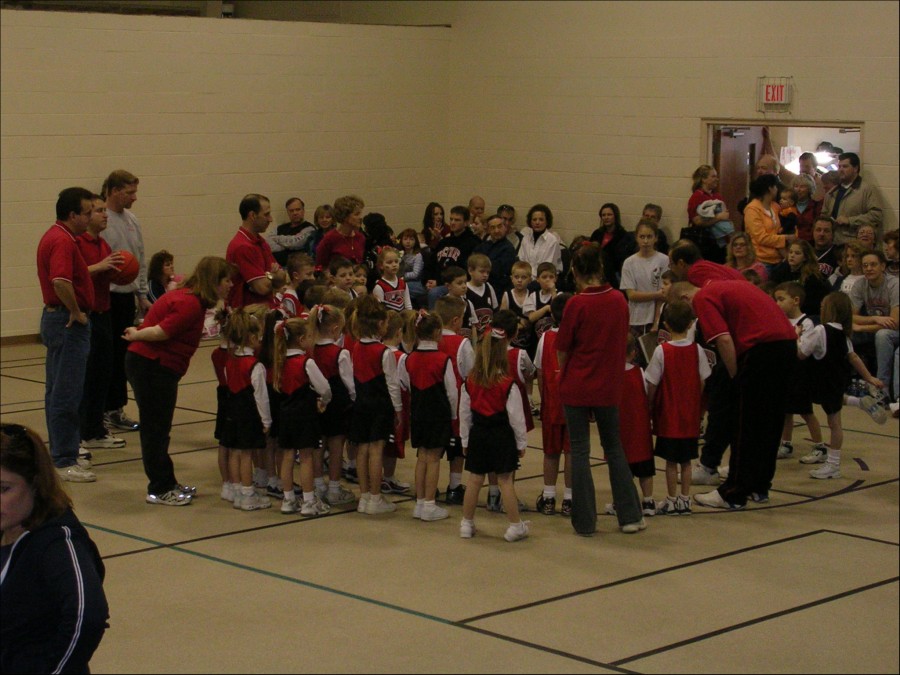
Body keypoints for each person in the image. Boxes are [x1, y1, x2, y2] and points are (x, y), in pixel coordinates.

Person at [672, 278, 797, 508]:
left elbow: (724, 339)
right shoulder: (726, 285)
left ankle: (733, 493)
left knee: (744, 423)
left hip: (759, 349)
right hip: (787, 345)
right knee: (769, 421)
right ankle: (759, 487)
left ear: (685, 298)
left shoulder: (702, 298)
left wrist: (735, 377)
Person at [124, 256, 235, 505]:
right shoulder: (189, 303)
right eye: (226, 280)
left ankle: (168, 481)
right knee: (156, 430)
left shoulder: (190, 298)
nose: (230, 285)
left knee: (160, 429)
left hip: (157, 367)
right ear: (213, 281)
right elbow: (162, 331)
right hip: (152, 367)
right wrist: (137, 334)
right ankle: (160, 488)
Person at [0, 423, 109, 673]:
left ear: (36, 484)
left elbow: (88, 614)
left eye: (4, 489)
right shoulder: (7, 526)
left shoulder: (59, 543)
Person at [557, 243, 645, 536]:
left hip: (577, 385)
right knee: (614, 448)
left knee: (580, 450)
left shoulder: (576, 304)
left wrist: (562, 377)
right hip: (608, 384)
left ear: (575, 271)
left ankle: (584, 522)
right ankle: (630, 515)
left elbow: (563, 349)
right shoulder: (619, 300)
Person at [37, 186, 96, 482]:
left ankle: (61, 452)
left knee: (56, 391)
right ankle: (64, 457)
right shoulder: (62, 240)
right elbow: (60, 281)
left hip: (57, 319)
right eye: (87, 213)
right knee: (66, 393)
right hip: (67, 322)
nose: (90, 218)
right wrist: (75, 310)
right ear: (72, 214)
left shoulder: (58, 236)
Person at [799, 293, 886, 478]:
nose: (821, 309)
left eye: (823, 306)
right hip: (835, 383)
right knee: (832, 406)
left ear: (831, 309)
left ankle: (833, 465)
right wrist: (870, 377)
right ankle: (858, 402)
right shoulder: (843, 334)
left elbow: (801, 354)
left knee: (834, 424)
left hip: (824, 382)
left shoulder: (821, 330)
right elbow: (853, 357)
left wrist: (794, 337)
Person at [458, 324, 530, 542]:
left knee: (474, 480)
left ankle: (466, 524)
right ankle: (515, 526)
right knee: (505, 480)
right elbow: (517, 418)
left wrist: (465, 438)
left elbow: (464, 414)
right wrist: (521, 443)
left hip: (478, 433)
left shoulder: (470, 381)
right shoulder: (508, 384)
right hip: (501, 435)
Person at [645, 300, 711, 516]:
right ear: (691, 323)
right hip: (689, 415)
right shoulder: (697, 350)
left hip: (669, 415)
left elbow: (652, 383)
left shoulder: (661, 351)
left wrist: (650, 406)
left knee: (671, 461)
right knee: (687, 460)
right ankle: (685, 499)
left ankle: (672, 499)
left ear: (666, 324)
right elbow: (703, 381)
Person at [76, 194, 127, 455]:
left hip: (104, 313)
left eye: (105, 210)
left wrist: (117, 269)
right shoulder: (77, 242)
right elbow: (74, 274)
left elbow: (105, 273)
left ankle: (96, 429)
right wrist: (99, 266)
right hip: (86, 316)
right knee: (85, 377)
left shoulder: (103, 243)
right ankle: (82, 431)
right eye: (98, 211)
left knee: (102, 374)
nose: (104, 215)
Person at [99, 170, 148, 434]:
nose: (134, 197)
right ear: (115, 190)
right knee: (105, 357)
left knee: (122, 357)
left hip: (126, 297)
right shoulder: (101, 221)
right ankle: (102, 409)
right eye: (130, 192)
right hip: (106, 296)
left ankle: (116, 408)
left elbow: (139, 257)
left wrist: (141, 293)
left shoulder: (132, 220)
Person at [398, 310, 458, 521]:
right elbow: (452, 393)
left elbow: (404, 382)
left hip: (418, 413)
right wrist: (453, 416)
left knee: (422, 457)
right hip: (438, 413)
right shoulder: (443, 359)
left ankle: (420, 502)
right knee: (433, 459)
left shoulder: (409, 358)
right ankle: (430, 505)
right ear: (437, 332)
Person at [349, 296, 403, 515]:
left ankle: (363, 496)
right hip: (379, 404)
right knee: (376, 449)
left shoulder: (355, 347)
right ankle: (375, 496)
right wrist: (398, 410)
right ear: (380, 325)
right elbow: (392, 384)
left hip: (361, 403)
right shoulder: (384, 352)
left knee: (362, 449)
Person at [273, 317, 332, 515]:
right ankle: (308, 501)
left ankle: (288, 499)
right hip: (305, 414)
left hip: (285, 414)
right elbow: (324, 388)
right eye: (308, 337)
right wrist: (323, 400)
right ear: (300, 339)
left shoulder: (279, 361)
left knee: (287, 455)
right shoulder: (306, 362)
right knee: (306, 456)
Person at [217, 308, 273, 512]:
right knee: (247, 454)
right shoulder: (254, 366)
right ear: (250, 337)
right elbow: (261, 397)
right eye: (258, 335)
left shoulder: (230, 361)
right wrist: (266, 421)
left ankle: (237, 489)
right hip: (248, 414)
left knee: (235, 452)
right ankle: (248, 494)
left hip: (232, 411)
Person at [308, 303, 357, 507]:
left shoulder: (309, 351)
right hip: (337, 404)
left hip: (316, 402)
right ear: (336, 329)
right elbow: (349, 383)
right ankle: (334, 488)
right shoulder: (341, 353)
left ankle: (318, 485)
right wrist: (354, 400)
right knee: (337, 447)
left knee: (318, 446)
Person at [772, 282, 826, 461]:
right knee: (786, 411)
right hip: (783, 372)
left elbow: (802, 352)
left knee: (805, 411)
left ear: (795, 300)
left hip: (800, 374)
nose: (777, 303)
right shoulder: (779, 320)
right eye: (776, 299)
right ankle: (785, 443)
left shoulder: (807, 323)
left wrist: (794, 336)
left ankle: (820, 447)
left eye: (781, 299)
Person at [533, 293, 573, 516]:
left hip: (552, 404)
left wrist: (545, 399)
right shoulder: (578, 337)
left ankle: (548, 497)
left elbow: (539, 371)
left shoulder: (545, 338)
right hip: (573, 404)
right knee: (572, 452)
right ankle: (570, 498)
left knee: (550, 452)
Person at [434, 295, 476, 505]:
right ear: (456, 321)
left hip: (432, 400)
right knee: (457, 448)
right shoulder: (462, 343)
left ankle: (428, 487)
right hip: (456, 403)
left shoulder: (429, 339)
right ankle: (454, 486)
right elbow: (470, 373)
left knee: (431, 449)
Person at [613, 334, 656, 518]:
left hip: (620, 431)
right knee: (645, 470)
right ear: (633, 353)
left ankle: (620, 502)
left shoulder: (611, 376)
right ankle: (648, 501)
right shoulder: (639, 373)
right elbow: (647, 394)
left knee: (621, 471)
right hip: (640, 430)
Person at [849, 251, 899, 410]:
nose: (868, 269)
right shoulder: (860, 284)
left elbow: (895, 323)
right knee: (842, 333)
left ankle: (882, 391)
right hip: (876, 327)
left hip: (894, 331)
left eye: (873, 265)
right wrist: (875, 319)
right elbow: (851, 317)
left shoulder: (894, 284)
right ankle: (844, 384)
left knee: (883, 335)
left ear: (883, 266)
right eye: (865, 265)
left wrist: (862, 327)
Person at [226, 193, 278, 309]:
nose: (270, 219)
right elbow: (262, 288)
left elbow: (281, 278)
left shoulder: (261, 242)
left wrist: (268, 277)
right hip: (248, 317)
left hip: (265, 310)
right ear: (252, 215)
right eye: (266, 214)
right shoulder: (242, 246)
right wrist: (271, 275)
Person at [620, 219, 670, 338]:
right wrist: (657, 294)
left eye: (649, 236)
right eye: (642, 237)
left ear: (656, 238)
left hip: (656, 318)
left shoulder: (664, 260)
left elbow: (663, 295)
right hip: (635, 318)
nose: (646, 241)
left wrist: (656, 322)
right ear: (636, 238)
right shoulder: (629, 263)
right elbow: (631, 295)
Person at [821, 152, 883, 245]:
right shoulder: (832, 192)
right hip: (832, 243)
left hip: (854, 244)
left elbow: (876, 215)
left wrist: (850, 221)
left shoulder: (866, 189)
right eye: (839, 166)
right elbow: (824, 214)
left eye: (845, 166)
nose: (841, 170)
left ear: (855, 168)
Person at [427, 205, 482, 308]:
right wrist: (428, 280)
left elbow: (463, 270)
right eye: (451, 219)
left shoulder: (473, 243)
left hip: (455, 284)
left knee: (434, 293)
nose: (452, 222)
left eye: (457, 220)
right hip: (435, 281)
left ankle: (434, 322)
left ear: (466, 223)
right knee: (407, 286)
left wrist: (438, 282)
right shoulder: (444, 241)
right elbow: (432, 263)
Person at [744, 174, 795, 273]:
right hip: (762, 259)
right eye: (775, 186)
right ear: (770, 188)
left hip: (779, 257)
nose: (777, 189)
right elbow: (761, 237)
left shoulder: (775, 206)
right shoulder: (752, 210)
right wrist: (786, 238)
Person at [769, 240, 832, 319]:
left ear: (805, 257)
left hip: (808, 315)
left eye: (797, 253)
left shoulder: (813, 277)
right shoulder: (780, 271)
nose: (792, 255)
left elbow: (813, 303)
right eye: (790, 252)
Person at [686, 165, 731, 264]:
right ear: (703, 179)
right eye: (713, 176)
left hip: (719, 243)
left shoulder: (717, 196)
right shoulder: (697, 197)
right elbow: (697, 221)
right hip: (704, 244)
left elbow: (725, 215)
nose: (717, 179)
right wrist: (718, 217)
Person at [589, 202, 635, 287]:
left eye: (609, 215)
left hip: (615, 273)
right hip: (596, 271)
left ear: (615, 216)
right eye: (603, 215)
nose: (606, 217)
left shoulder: (623, 235)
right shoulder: (597, 233)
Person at [315, 195, 367, 270]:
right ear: (345, 217)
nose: (360, 217)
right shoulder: (329, 238)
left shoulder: (360, 237)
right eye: (356, 214)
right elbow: (320, 267)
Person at [516, 203, 564, 281]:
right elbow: (522, 262)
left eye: (541, 219)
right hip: (526, 279)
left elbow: (546, 268)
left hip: (545, 280)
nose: (537, 222)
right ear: (530, 221)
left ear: (547, 221)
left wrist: (530, 280)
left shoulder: (552, 241)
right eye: (534, 219)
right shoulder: (526, 238)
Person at [474, 213, 517, 296]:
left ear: (505, 228)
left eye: (499, 226)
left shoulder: (508, 248)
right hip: (478, 284)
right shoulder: (482, 246)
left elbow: (497, 271)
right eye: (493, 228)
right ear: (488, 230)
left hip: (497, 288)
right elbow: (471, 263)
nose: (496, 230)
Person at [500, 260, 533, 353]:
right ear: (511, 278)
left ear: (530, 280)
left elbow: (534, 318)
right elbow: (502, 318)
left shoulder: (532, 295)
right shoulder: (507, 295)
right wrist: (517, 321)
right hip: (511, 344)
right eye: (516, 277)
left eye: (523, 277)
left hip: (529, 343)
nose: (519, 280)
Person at [273, 197, 315, 267]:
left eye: (298, 209)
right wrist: (287, 245)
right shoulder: (280, 228)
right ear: (287, 212)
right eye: (291, 211)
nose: (295, 213)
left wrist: (277, 240)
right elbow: (268, 243)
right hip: (277, 267)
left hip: (298, 268)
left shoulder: (309, 228)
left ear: (303, 210)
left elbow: (296, 243)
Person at [465, 253, 499, 333]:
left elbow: (495, 310)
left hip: (488, 333)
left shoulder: (489, 287)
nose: (485, 275)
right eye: (482, 272)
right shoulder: (465, 289)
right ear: (470, 271)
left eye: (487, 272)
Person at [372, 246, 412, 311]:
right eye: (389, 262)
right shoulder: (379, 287)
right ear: (381, 266)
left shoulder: (403, 283)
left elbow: (408, 306)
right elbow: (380, 311)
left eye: (396, 261)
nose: (394, 265)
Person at [397, 227, 426, 308]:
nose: (408, 242)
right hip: (403, 280)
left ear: (415, 241)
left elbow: (415, 274)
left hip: (418, 283)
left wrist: (402, 277)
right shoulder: (400, 254)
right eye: (405, 239)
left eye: (411, 239)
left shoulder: (418, 255)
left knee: (402, 286)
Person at [792, 173, 821, 242]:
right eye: (796, 186)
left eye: (802, 187)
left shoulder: (816, 206)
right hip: (791, 243)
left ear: (809, 189)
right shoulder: (788, 206)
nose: (798, 189)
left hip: (810, 243)